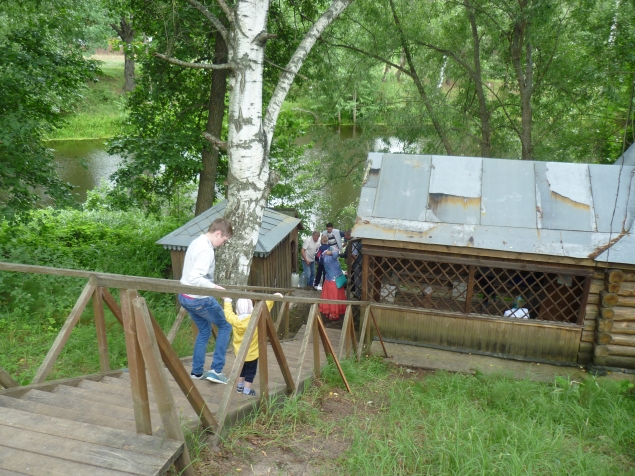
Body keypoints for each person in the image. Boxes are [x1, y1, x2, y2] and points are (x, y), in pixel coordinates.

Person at [178, 217, 233, 384]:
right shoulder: (206, 250)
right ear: (218, 233)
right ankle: (216, 370)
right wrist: (216, 289)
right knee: (225, 325)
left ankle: (196, 372)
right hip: (198, 299)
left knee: (204, 331)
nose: (223, 243)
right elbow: (195, 277)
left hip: (184, 296)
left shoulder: (197, 242)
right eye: (224, 240)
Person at [223, 293, 283, 396]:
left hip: (239, 352)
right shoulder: (255, 317)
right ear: (251, 309)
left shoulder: (234, 320)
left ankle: (239, 387)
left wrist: (227, 300)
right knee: (250, 372)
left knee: (241, 370)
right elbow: (266, 306)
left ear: (237, 311)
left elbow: (228, 313)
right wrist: (273, 297)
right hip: (252, 354)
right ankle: (247, 390)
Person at [319, 247, 347, 321]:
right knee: (334, 298)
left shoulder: (327, 258)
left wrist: (329, 252)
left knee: (331, 297)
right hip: (334, 282)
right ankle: (333, 314)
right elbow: (336, 253)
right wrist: (331, 252)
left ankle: (330, 313)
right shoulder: (329, 259)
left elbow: (335, 253)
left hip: (332, 281)